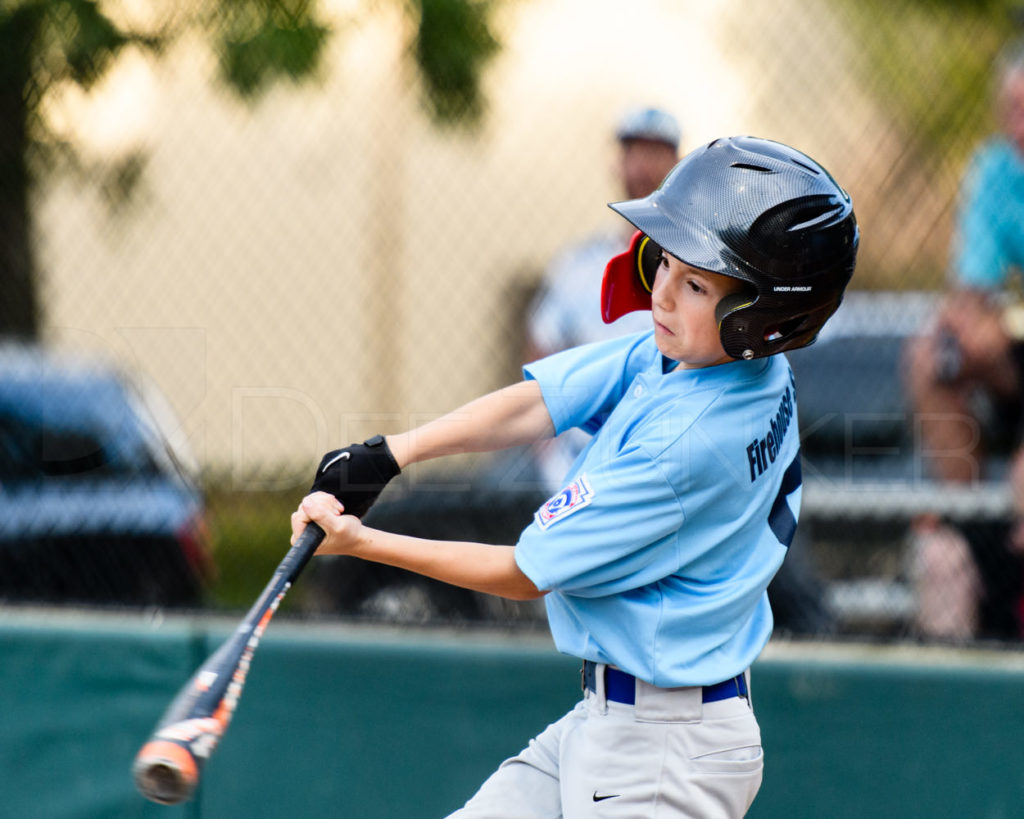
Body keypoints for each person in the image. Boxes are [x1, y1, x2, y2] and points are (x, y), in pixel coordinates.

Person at [293, 136, 858, 818]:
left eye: (698, 283)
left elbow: (523, 571)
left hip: (662, 753)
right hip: (617, 723)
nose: (664, 294)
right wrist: (390, 453)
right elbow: (544, 402)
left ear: (765, 318)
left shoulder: (684, 447)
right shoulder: (722, 361)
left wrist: (364, 542)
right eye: (668, 263)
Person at [904, 40, 1024, 641]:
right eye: (1012, 108)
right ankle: (974, 523)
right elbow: (971, 292)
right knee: (932, 355)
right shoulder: (995, 169)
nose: (1019, 124)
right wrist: (974, 325)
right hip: (1014, 350)